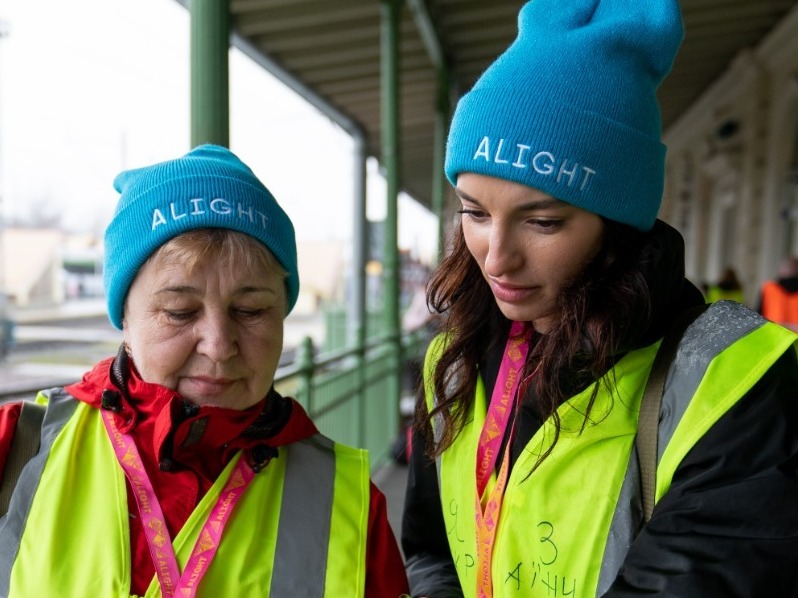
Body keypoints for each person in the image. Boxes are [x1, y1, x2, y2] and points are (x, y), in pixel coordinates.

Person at [401, 1, 798, 597]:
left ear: (618, 225)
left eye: (543, 222)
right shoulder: (450, 364)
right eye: (474, 213)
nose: (495, 258)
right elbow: (431, 551)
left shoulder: (738, 381)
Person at [0, 144, 409, 597]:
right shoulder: (17, 450)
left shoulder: (347, 501)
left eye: (251, 310)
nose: (218, 346)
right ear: (126, 321)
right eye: (178, 311)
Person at [757, 255, 798, 331]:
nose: (789, 271)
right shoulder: (768, 288)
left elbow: (757, 315)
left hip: (772, 335)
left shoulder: (768, 288)